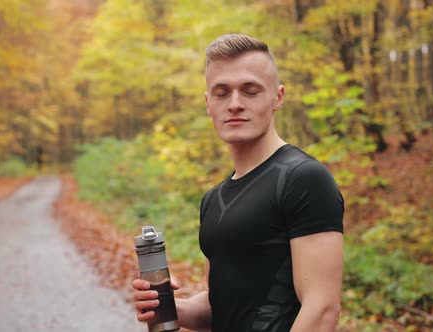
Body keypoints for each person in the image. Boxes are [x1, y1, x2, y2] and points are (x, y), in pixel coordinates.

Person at [132, 33, 344, 332]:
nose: (234, 104)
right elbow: (219, 307)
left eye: (250, 90)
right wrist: (167, 307)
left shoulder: (303, 178)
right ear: (208, 104)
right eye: (221, 93)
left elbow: (322, 308)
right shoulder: (214, 199)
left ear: (278, 97)